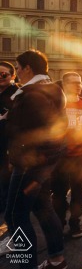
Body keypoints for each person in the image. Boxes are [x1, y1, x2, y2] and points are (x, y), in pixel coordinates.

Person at [5, 50, 68, 268]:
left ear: (28, 68)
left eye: (18, 68)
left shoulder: (31, 95)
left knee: (14, 215)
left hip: (28, 164)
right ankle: (57, 259)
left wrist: (5, 122)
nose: (17, 73)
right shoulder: (54, 90)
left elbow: (27, 133)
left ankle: (26, 264)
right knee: (43, 208)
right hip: (43, 163)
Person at [51, 72, 82, 238]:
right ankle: (59, 223)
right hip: (61, 157)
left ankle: (75, 224)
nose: (78, 86)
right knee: (59, 192)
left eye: (80, 83)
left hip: (81, 156)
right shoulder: (56, 105)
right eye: (73, 83)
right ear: (64, 85)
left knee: (78, 191)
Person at [0, 61, 18, 213]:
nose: (0, 77)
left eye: (3, 74)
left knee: (6, 178)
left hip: (8, 145)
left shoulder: (17, 94)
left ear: (12, 76)